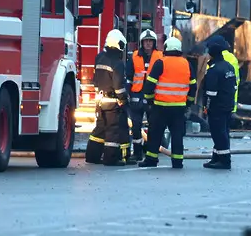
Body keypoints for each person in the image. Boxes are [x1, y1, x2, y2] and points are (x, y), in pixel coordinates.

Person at [138, 36, 197, 169]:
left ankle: (151, 160)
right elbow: (193, 85)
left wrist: (149, 100)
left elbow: (149, 84)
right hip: (179, 108)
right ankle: (177, 162)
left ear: (166, 48)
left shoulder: (160, 63)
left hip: (160, 106)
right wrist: (189, 102)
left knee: (155, 134)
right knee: (177, 135)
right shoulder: (186, 64)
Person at [84, 29, 132, 166]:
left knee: (99, 129)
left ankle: (92, 156)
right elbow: (118, 86)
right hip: (112, 102)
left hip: (100, 100)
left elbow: (95, 79)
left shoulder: (99, 57)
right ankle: (110, 159)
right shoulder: (118, 63)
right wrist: (123, 99)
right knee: (112, 130)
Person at [125, 29, 163, 161]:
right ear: (142, 43)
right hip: (137, 95)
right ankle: (137, 153)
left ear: (154, 43)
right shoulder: (134, 56)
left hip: (153, 95)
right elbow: (129, 77)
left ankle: (151, 152)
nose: (148, 44)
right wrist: (127, 93)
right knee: (136, 127)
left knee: (153, 126)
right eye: (146, 41)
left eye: (150, 41)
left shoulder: (160, 56)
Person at [202, 36, 238, 170]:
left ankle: (224, 160)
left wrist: (207, 108)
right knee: (223, 132)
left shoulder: (214, 70)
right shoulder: (228, 66)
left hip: (217, 108)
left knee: (218, 133)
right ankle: (216, 158)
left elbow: (210, 93)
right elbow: (233, 86)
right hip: (227, 106)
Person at [205, 38, 241, 113]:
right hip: (230, 103)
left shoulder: (215, 60)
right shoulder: (232, 58)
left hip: (217, 105)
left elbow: (209, 78)